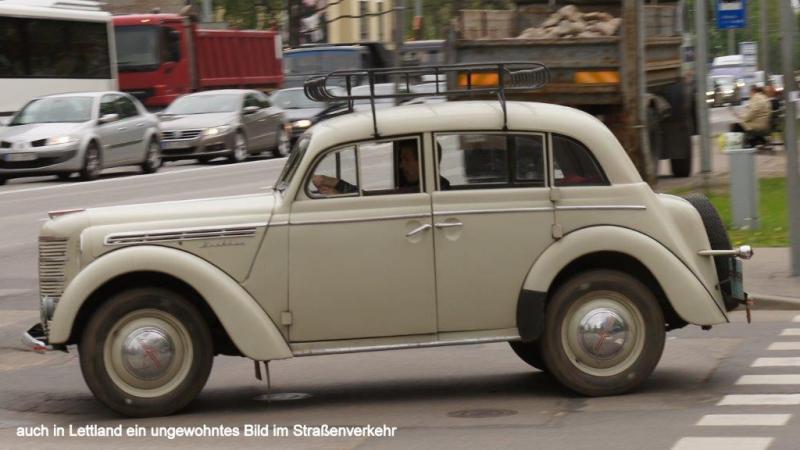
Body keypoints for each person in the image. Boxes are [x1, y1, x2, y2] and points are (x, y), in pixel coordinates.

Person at [311, 140, 450, 195]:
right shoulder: (421, 186)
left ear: (423, 162)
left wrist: (339, 196)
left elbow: (373, 203)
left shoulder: (431, 191)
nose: (401, 165)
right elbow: (371, 198)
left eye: (406, 159)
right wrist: (336, 184)